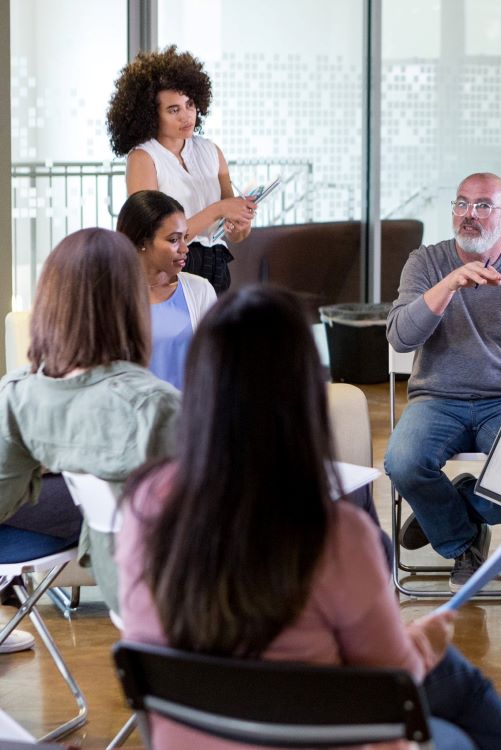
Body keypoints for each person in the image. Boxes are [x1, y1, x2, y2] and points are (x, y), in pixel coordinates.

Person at [116, 285, 501, 750]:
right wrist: (425, 644)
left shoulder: (143, 509)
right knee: (454, 687)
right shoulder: (333, 535)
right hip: (315, 731)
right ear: (303, 394)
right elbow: (388, 684)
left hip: (195, 733)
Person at [383, 172, 501, 591]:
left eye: (483, 206)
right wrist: (450, 284)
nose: (469, 215)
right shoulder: (425, 263)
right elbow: (400, 336)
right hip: (436, 398)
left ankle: (459, 504)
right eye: (461, 204)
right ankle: (463, 542)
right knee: (404, 463)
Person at [0, 228, 179, 652]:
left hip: (127, 595)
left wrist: (55, 461)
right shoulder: (155, 406)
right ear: (130, 304)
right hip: (175, 596)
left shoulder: (17, 392)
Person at [107, 45, 256, 293]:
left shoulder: (212, 152)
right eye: (173, 109)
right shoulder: (144, 158)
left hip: (218, 265)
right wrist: (218, 209)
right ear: (151, 115)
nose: (186, 116)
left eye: (189, 105)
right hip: (173, 271)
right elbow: (151, 237)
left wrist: (241, 223)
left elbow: (235, 235)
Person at [116, 191, 217, 389]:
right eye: (173, 240)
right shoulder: (111, 296)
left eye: (185, 238)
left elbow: (217, 364)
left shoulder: (200, 290)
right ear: (143, 242)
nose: (185, 248)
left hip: (188, 415)